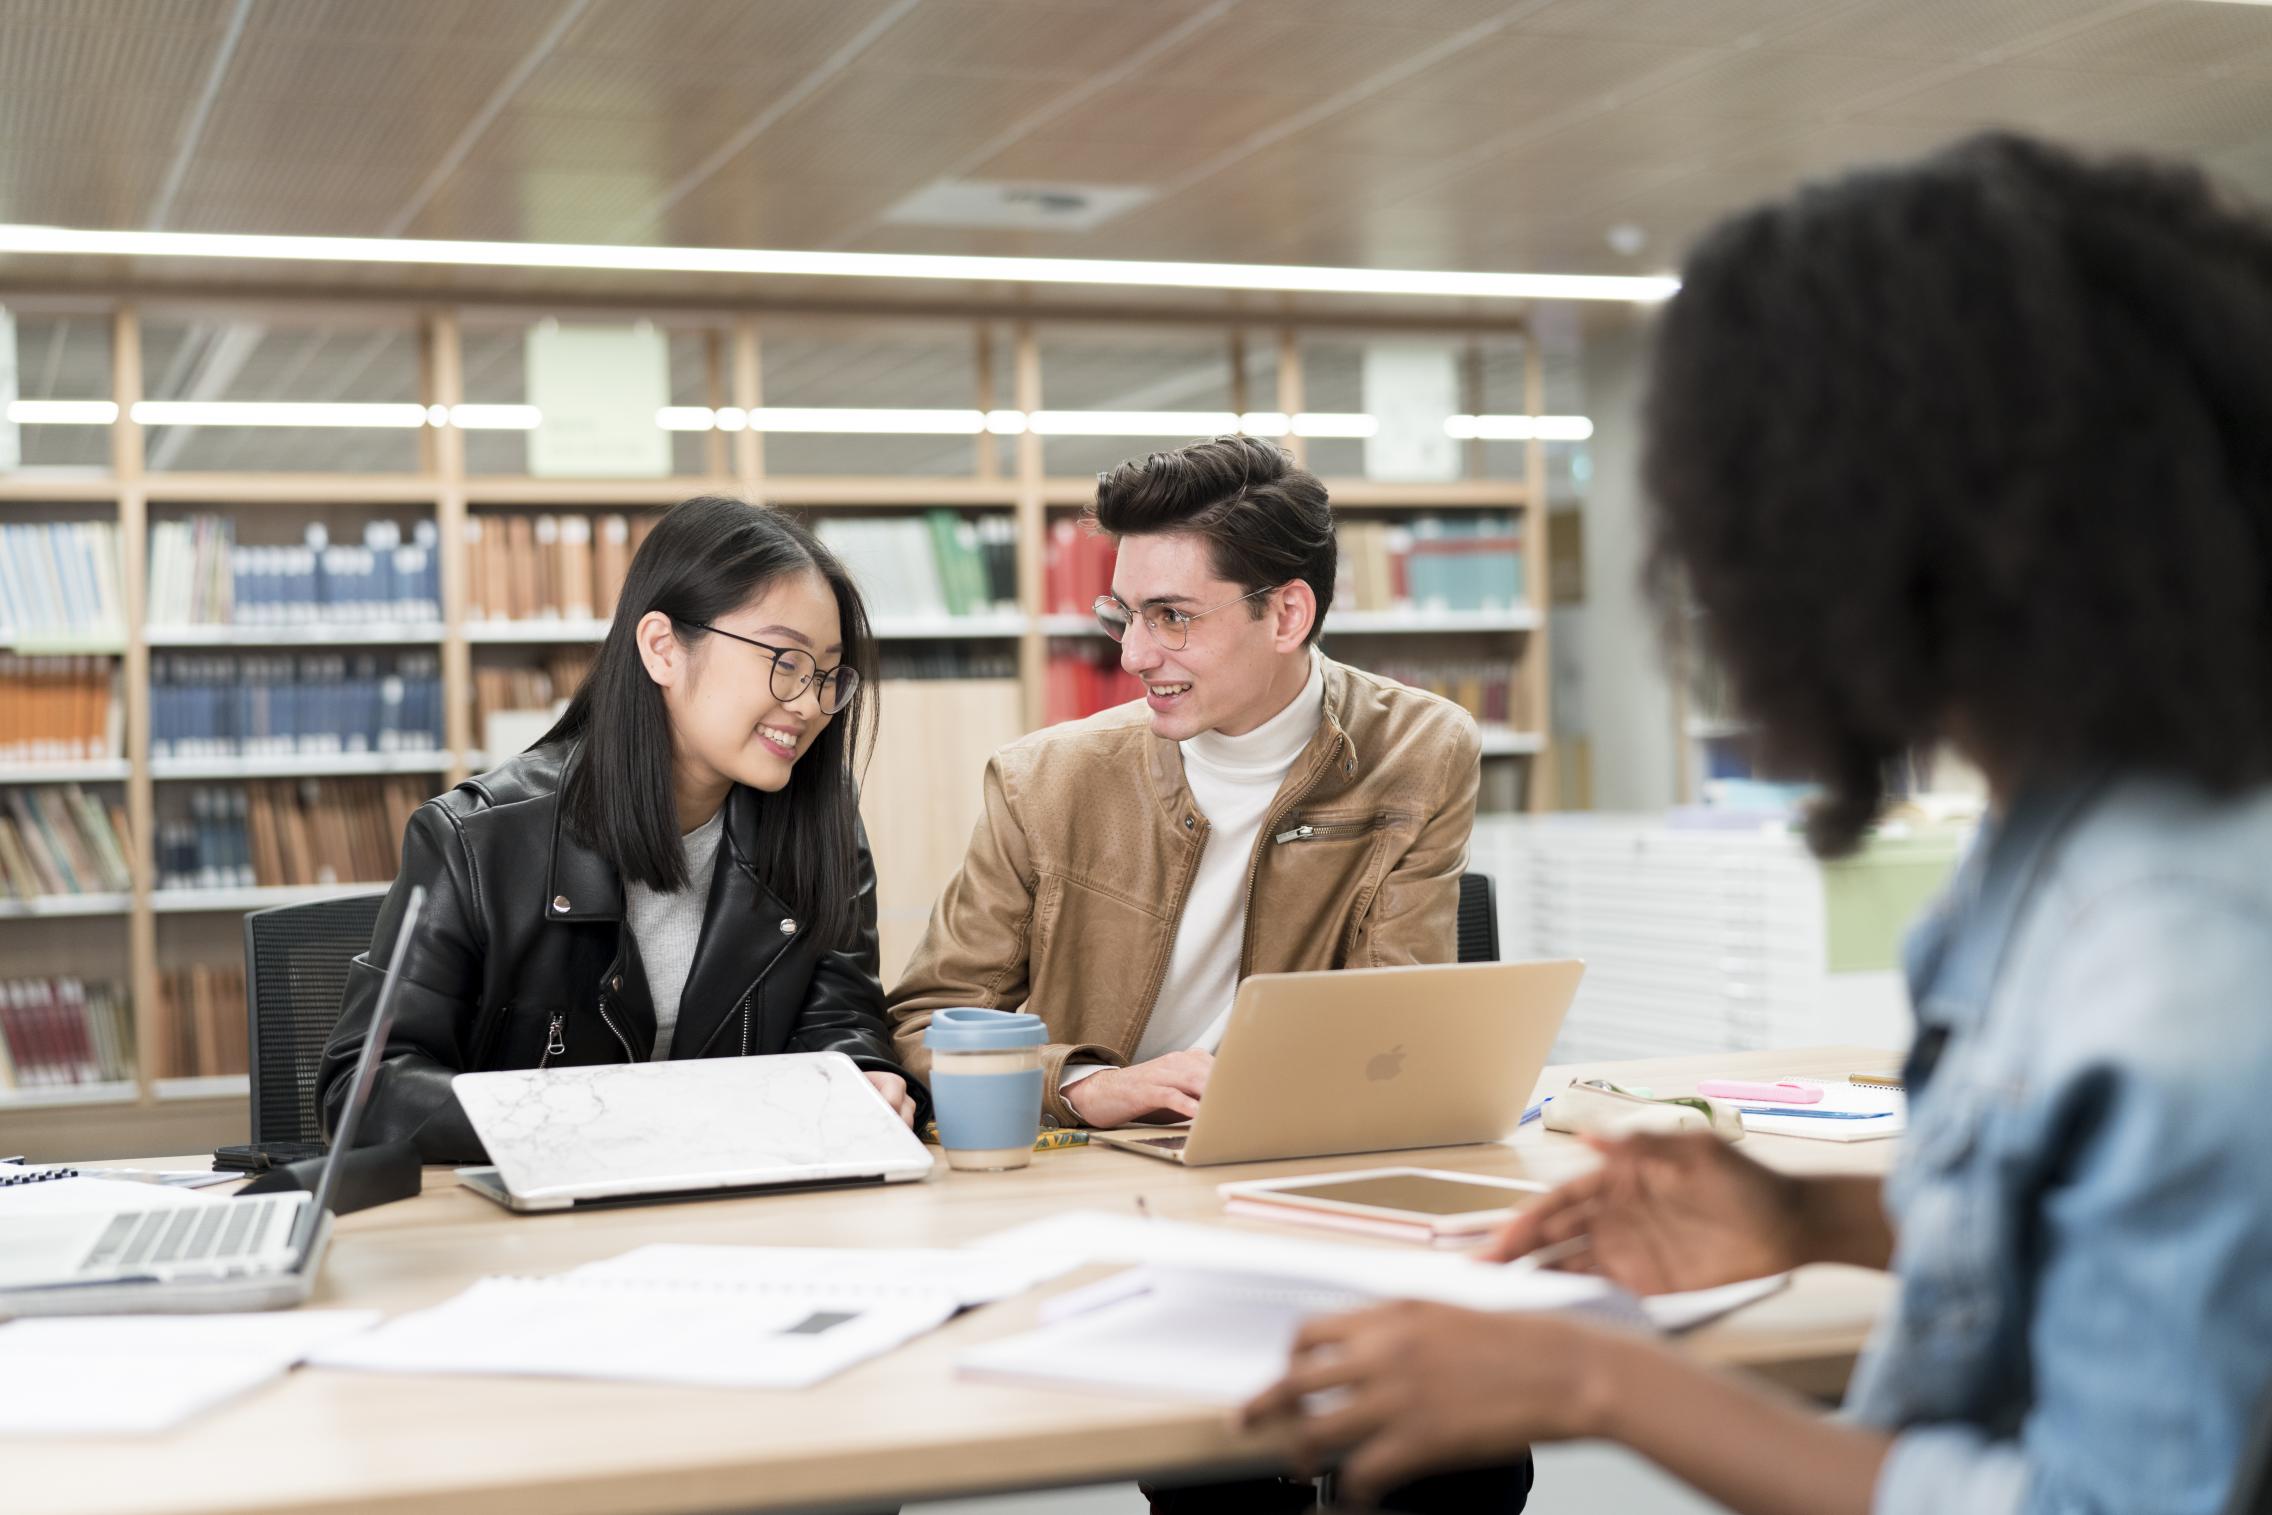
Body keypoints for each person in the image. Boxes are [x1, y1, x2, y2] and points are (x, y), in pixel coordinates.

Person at [1241, 132, 2272, 1515]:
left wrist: (1595, 1382)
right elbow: (2101, 1225)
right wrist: (1812, 1216)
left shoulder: (2175, 936)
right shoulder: (2057, 830)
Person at [889, 434, 1522, 1513]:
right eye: (1121, 616)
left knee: (1468, 1452)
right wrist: (1089, 1081)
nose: (1134, 653)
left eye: (1172, 617)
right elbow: (922, 1019)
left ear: (1287, 616)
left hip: (1320, 1182)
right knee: (1224, 1473)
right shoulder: (1046, 781)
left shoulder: (1421, 747)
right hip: (1129, 1195)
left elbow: (1396, 1016)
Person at [319, 496, 919, 1161]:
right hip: (529, 1217)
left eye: (826, 674)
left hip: (735, 1205)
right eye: (784, 661)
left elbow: (841, 1017)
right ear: (662, 648)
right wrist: (596, 1120)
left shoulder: (820, 825)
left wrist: (866, 1071)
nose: (809, 703)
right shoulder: (477, 839)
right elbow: (366, 1087)